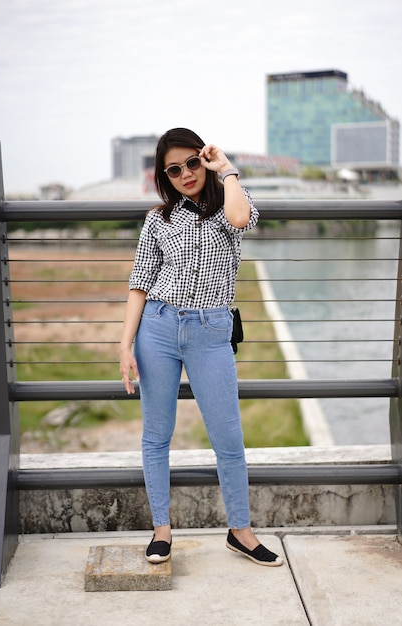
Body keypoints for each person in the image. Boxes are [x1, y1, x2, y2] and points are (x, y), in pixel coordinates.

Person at [119, 128, 283, 567]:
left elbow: (241, 219)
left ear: (204, 160)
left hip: (211, 330)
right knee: (156, 435)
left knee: (228, 438)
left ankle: (241, 531)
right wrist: (125, 344)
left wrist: (225, 168)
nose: (186, 174)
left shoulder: (229, 202)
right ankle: (161, 530)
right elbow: (139, 284)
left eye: (193, 162)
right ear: (164, 176)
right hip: (157, 326)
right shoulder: (159, 220)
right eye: (174, 169)